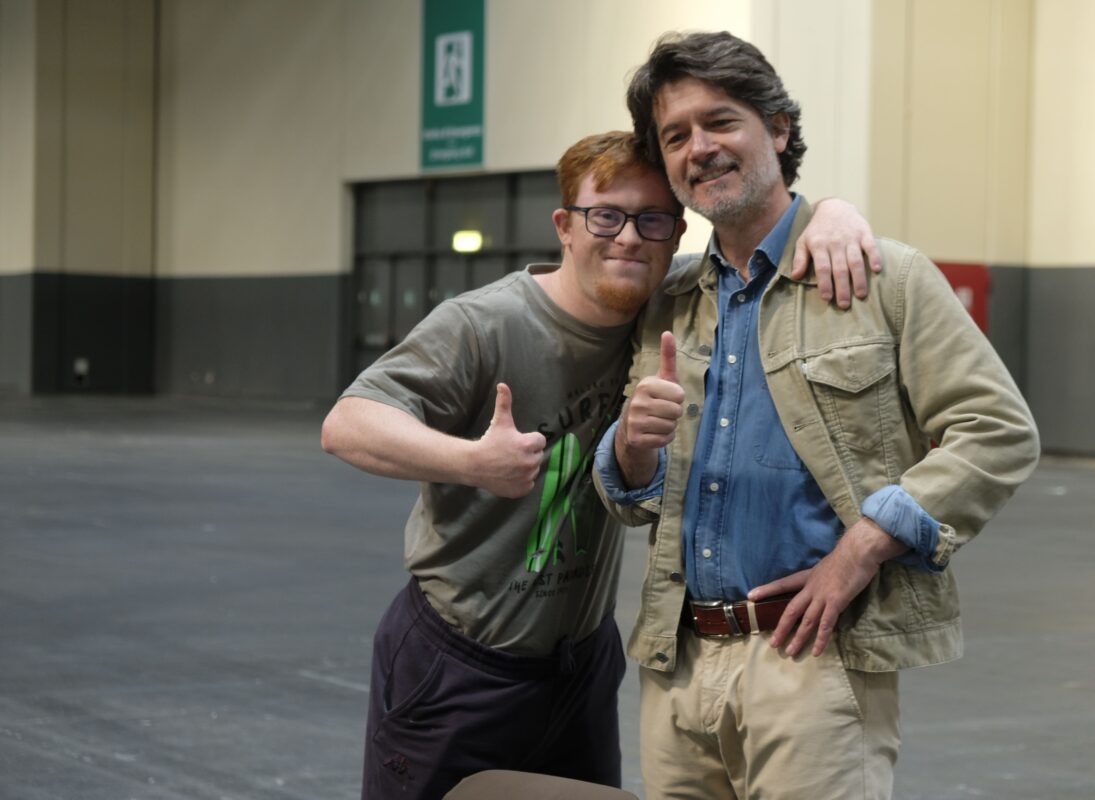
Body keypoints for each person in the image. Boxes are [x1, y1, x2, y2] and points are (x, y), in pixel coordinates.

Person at [321, 130, 880, 799]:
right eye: (605, 216)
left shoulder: (668, 309)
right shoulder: (483, 324)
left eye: (652, 220)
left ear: (677, 234)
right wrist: (471, 462)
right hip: (461, 661)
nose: (628, 238)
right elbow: (347, 424)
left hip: (581, 664)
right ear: (565, 226)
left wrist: (832, 213)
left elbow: (761, 251)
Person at [593, 31, 1041, 800]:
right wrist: (629, 452)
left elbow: (997, 431)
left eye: (720, 121)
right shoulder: (666, 303)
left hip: (813, 660)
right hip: (677, 663)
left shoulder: (883, 278)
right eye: (676, 136)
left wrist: (863, 546)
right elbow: (636, 500)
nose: (700, 148)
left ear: (778, 128)